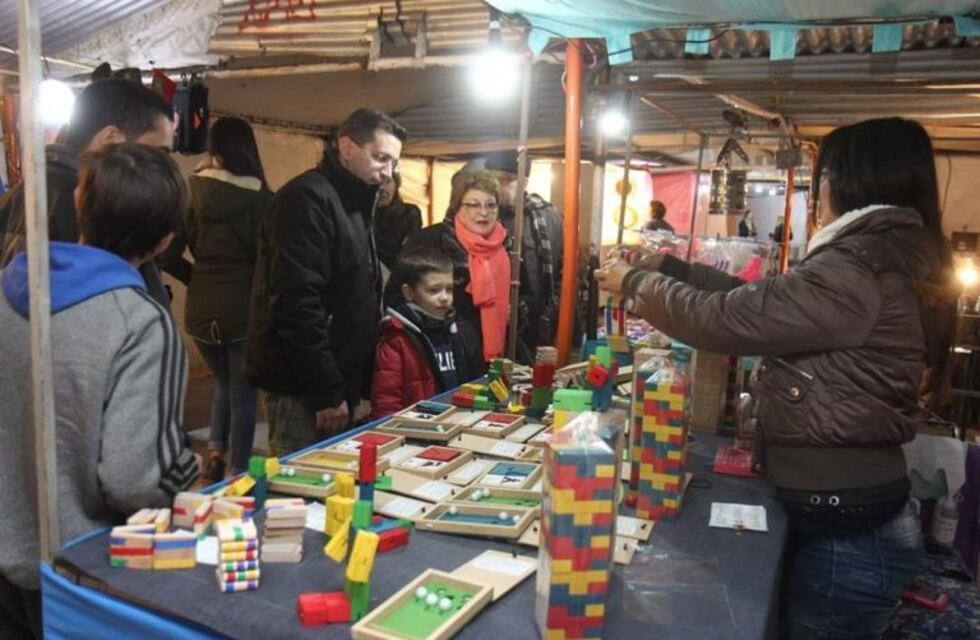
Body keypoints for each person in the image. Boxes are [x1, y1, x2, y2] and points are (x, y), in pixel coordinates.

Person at [595, 117, 956, 639]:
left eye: (822, 176)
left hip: (848, 530)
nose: (818, 190)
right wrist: (667, 267)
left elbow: (728, 320)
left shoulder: (858, 265)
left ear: (849, 181)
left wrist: (634, 282)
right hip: (851, 516)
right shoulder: (877, 256)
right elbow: (760, 303)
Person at [0, 143, 200, 639]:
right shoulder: (138, 321)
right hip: (73, 569)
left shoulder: (6, 284)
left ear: (78, 200)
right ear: (164, 242)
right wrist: (186, 465)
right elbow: (134, 479)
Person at [246, 108, 405, 455]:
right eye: (380, 158)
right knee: (299, 489)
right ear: (346, 147)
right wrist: (327, 391)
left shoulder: (356, 202)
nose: (387, 172)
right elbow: (296, 303)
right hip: (304, 387)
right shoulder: (306, 200)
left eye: (393, 163)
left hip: (335, 378)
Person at [0, 78, 176, 307]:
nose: (163, 165)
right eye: (158, 152)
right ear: (110, 140)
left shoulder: (36, 191)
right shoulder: (83, 202)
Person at [180, 117, 272, 480]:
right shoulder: (263, 198)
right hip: (243, 307)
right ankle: (239, 470)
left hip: (200, 307)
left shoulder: (191, 190)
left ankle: (215, 453)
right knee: (244, 393)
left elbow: (170, 252)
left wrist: (200, 278)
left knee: (222, 383)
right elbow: (268, 258)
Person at [404, 170, 507, 369]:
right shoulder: (430, 241)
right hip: (438, 354)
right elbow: (400, 297)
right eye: (473, 205)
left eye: (491, 205)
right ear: (457, 206)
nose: (483, 212)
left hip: (490, 358)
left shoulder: (506, 246)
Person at [370, 245, 474, 418]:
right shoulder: (397, 337)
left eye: (449, 289)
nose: (444, 297)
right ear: (409, 292)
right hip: (415, 429)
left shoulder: (456, 328)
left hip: (454, 420)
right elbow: (386, 401)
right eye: (433, 290)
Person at [480, 150, 563, 363]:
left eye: (505, 179)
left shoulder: (548, 217)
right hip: (496, 319)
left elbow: (562, 269)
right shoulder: (482, 216)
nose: (497, 186)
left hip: (540, 319)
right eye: (492, 179)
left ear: (524, 182)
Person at [374, 169, 423, 274]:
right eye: (377, 183)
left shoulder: (409, 213)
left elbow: (410, 252)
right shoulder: (363, 215)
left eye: (387, 182)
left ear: (396, 185)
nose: (382, 188)